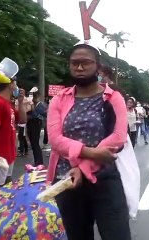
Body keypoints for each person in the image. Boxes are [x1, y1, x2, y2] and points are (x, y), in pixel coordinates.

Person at [46, 42, 131, 240]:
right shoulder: (59, 100)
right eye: (75, 63)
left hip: (105, 179)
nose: (80, 67)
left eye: (86, 62)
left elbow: (118, 137)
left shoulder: (113, 97)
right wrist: (91, 153)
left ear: (97, 66)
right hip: (68, 181)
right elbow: (56, 140)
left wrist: (83, 167)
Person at [0, 75, 27, 209]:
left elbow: (23, 120)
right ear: (10, 84)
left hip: (8, 154)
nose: (17, 87)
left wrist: (21, 101)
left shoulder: (8, 103)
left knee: (6, 186)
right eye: (15, 83)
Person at [26, 91, 47, 166]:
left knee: (35, 143)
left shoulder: (40, 105)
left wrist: (32, 109)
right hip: (30, 124)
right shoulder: (31, 104)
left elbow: (38, 115)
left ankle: (39, 162)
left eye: (34, 97)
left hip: (36, 124)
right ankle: (36, 161)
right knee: (33, 144)